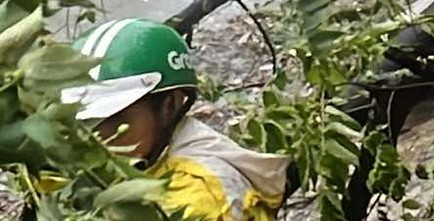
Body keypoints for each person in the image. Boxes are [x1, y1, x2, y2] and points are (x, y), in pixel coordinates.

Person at [62, 19, 289, 221]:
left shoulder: (200, 197)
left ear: (169, 106)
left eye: (115, 120)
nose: (98, 139)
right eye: (85, 122)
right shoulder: (147, 152)